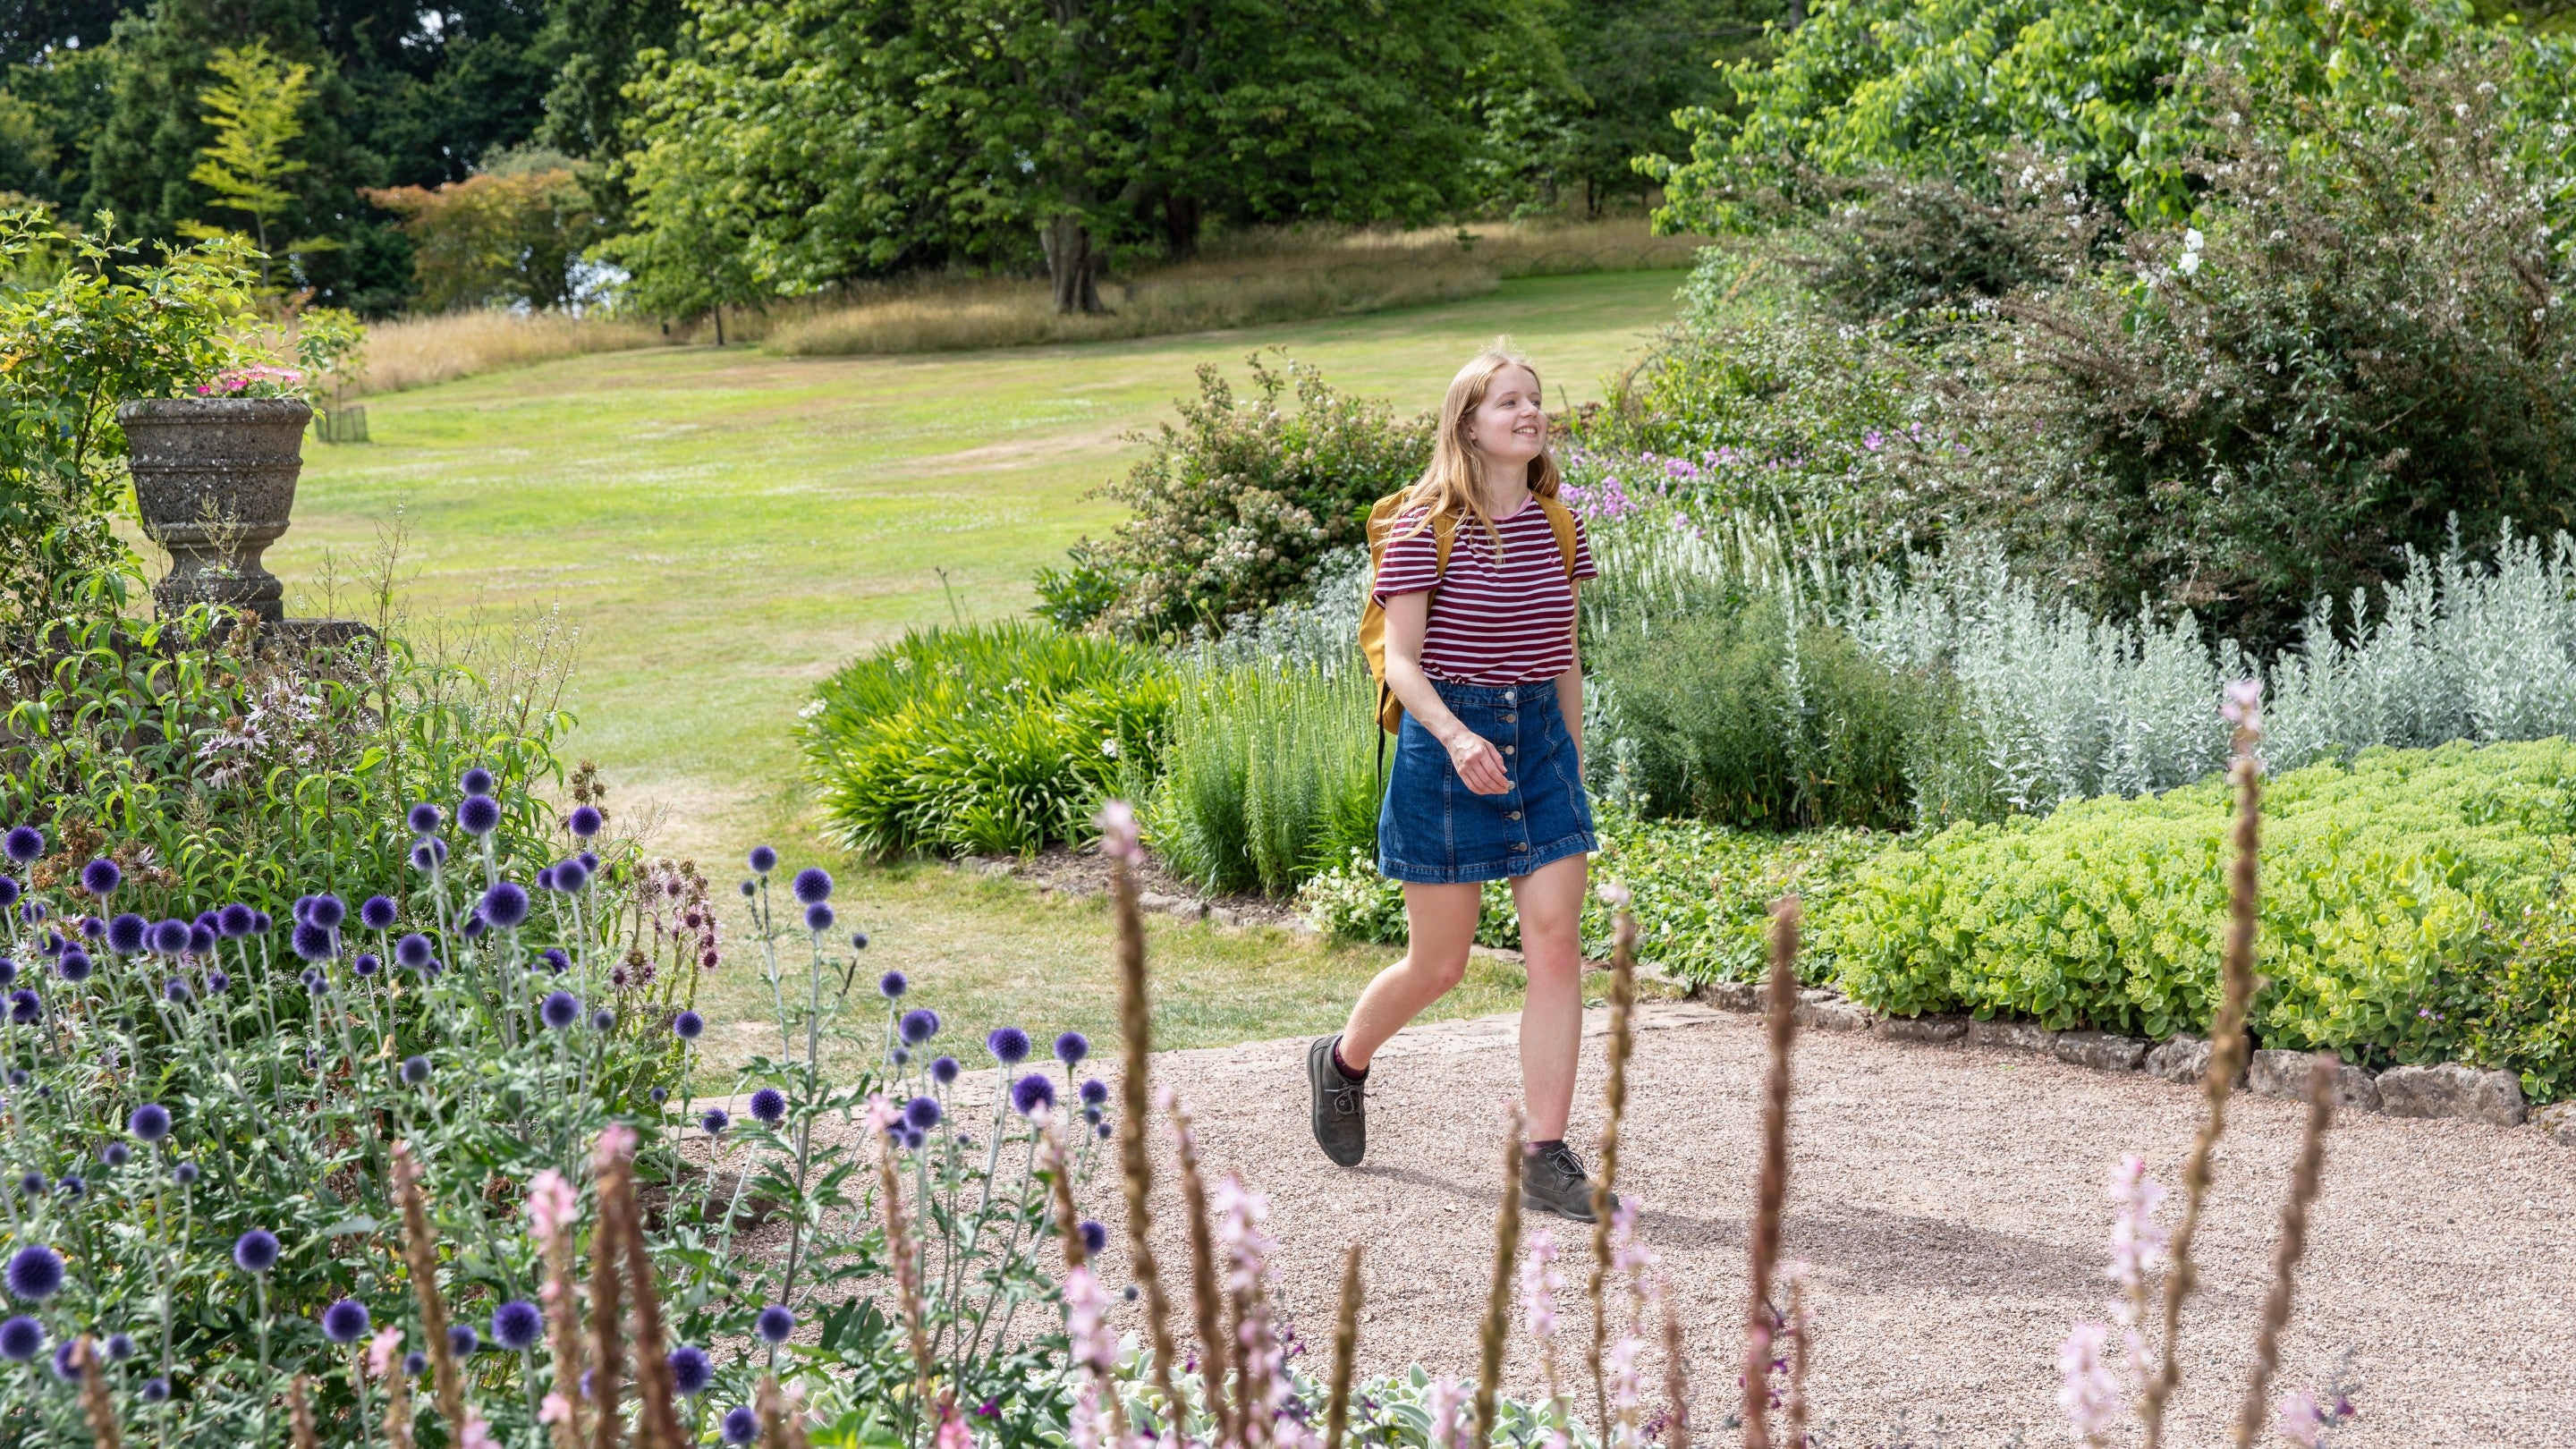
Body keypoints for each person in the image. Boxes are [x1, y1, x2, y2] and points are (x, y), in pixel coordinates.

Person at [1307, 347, 1610, 1221]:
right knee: (1439, 964)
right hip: (1449, 748)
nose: (1530, 412)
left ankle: (1543, 1155)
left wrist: (1574, 762)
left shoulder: (1559, 525)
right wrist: (1455, 733)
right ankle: (1344, 1061)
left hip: (1541, 750)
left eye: (1537, 400)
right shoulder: (1423, 526)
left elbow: (1564, 656)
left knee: (1555, 946)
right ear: (1467, 424)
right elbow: (1402, 662)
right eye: (1508, 401)